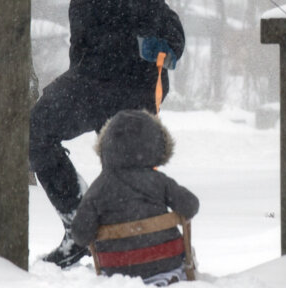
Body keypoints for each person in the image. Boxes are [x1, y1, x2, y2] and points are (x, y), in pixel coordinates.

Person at [33, 0, 185, 268]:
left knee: (37, 129)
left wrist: (154, 49)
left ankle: (85, 228)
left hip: (117, 81)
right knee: (122, 172)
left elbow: (154, 13)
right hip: (105, 78)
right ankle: (111, 243)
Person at [72, 110, 199, 285]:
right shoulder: (159, 182)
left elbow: (81, 234)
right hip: (165, 261)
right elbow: (190, 206)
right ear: (156, 146)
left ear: (106, 147)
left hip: (117, 270)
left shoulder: (98, 188)